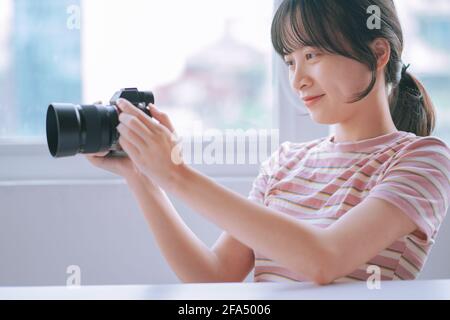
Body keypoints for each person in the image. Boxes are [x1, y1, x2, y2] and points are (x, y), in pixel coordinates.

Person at [86, 0, 450, 285]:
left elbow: (326, 259)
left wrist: (176, 173)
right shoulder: (286, 164)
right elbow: (213, 276)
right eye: (290, 62)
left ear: (377, 53)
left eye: (312, 55)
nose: (298, 81)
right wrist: (145, 179)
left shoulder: (423, 158)